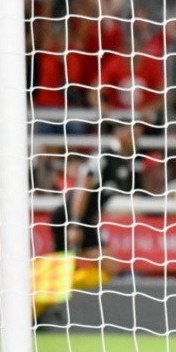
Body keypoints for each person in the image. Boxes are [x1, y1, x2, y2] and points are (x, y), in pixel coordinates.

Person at [43, 120, 144, 320]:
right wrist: (74, 223)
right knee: (61, 268)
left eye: (138, 134)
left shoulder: (123, 161)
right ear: (120, 133)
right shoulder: (103, 157)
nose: (137, 139)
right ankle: (44, 308)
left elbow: (100, 197)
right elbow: (83, 189)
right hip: (70, 217)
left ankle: (57, 305)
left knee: (105, 267)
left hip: (86, 220)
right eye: (133, 134)